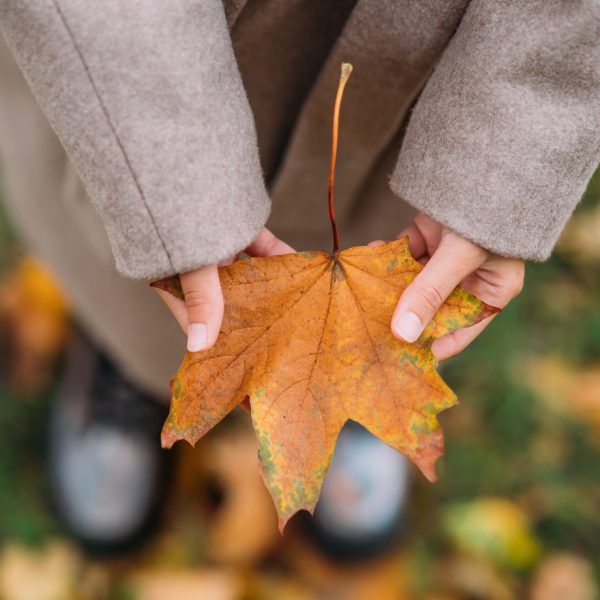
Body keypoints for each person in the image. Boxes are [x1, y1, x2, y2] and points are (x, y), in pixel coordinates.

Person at [0, 0, 598, 553]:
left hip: (430, 88)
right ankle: (124, 357)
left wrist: (504, 160)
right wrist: (166, 183)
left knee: (415, 280)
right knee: (147, 263)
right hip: (149, 62)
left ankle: (364, 387)